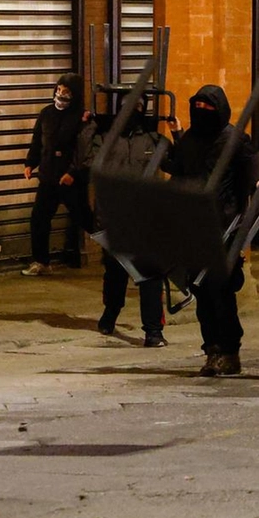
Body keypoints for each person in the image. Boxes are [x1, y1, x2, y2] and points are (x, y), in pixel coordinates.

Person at [163, 85, 255, 376]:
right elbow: (181, 169)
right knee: (201, 291)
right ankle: (212, 349)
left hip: (224, 230)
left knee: (221, 292)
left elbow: (247, 188)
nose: (202, 112)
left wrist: (242, 235)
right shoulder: (191, 138)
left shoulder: (236, 141)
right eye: (198, 106)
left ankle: (229, 351)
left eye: (208, 107)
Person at [78, 95, 169, 346]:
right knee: (116, 271)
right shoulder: (106, 138)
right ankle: (111, 313)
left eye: (138, 107)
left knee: (150, 273)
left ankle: (153, 332)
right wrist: (90, 126)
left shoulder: (151, 139)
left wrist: (177, 132)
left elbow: (176, 162)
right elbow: (85, 159)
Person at [21, 73, 93, 276]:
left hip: (71, 180)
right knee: (39, 218)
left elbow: (84, 149)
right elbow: (38, 141)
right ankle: (41, 261)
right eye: (59, 90)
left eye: (67, 92)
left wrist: (73, 172)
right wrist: (30, 163)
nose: (61, 95)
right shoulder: (46, 113)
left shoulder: (82, 118)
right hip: (48, 176)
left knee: (85, 219)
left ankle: (116, 252)